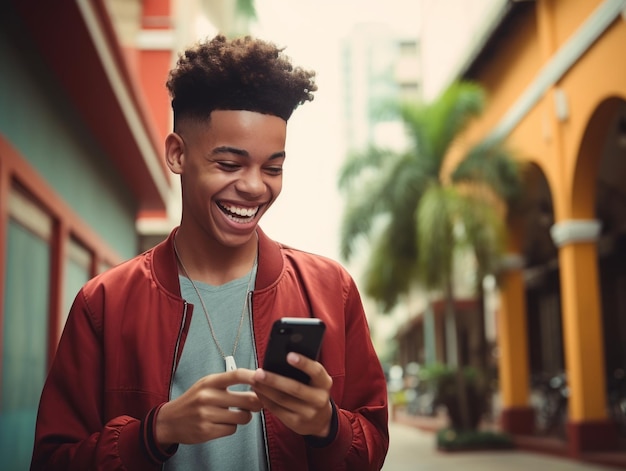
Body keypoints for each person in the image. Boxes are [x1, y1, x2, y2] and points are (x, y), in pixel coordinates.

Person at [30, 34, 389, 470]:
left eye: (273, 168)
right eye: (229, 164)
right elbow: (52, 460)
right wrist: (154, 431)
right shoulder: (104, 303)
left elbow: (371, 447)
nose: (256, 187)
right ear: (178, 154)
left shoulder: (334, 290)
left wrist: (328, 425)